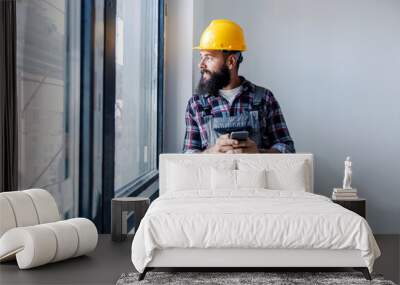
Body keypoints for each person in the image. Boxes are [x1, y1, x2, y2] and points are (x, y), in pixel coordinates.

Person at [183, 19, 295, 154]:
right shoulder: (196, 104)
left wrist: (258, 154)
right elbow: (187, 157)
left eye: (209, 57)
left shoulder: (265, 98)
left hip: (254, 176)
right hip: (214, 176)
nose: (201, 64)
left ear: (231, 61)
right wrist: (211, 153)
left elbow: (287, 148)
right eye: (201, 57)